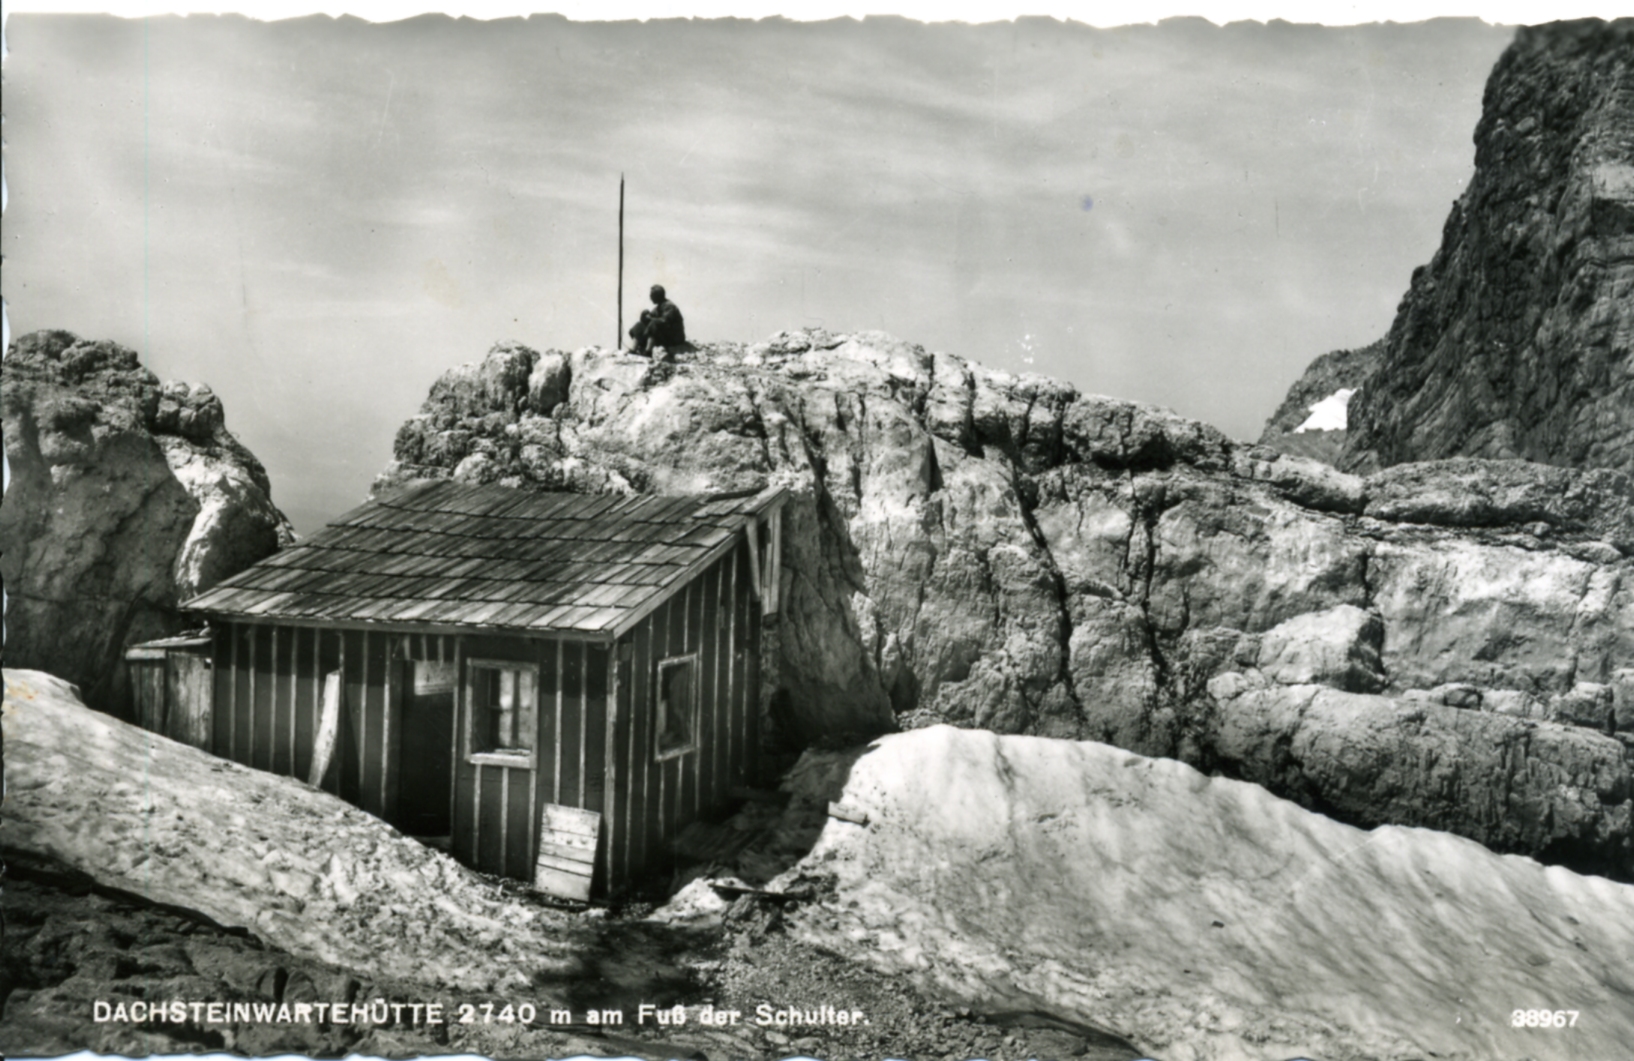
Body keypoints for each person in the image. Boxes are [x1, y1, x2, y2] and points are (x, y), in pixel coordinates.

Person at [629, 284, 686, 356]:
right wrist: (644, 316)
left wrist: (650, 319)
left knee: (654, 323)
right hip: (666, 336)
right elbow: (649, 319)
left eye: (652, 295)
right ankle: (633, 350)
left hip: (675, 338)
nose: (650, 297)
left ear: (657, 296)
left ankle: (648, 352)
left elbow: (664, 321)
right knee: (639, 325)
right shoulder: (658, 307)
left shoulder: (669, 306)